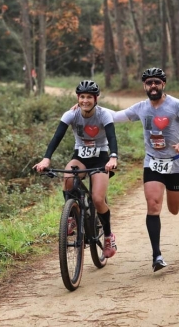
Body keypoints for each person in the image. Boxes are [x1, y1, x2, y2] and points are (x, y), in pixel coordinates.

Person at [105, 67, 179, 272]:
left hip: (175, 162)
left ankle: (175, 197)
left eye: (156, 83)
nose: (153, 86)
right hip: (152, 163)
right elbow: (115, 116)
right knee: (153, 206)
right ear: (144, 86)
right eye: (149, 83)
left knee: (173, 209)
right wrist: (87, 108)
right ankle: (156, 255)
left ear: (163, 85)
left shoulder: (176, 105)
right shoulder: (141, 108)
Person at [33, 80, 118, 258]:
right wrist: (46, 159)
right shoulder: (71, 115)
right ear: (78, 98)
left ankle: (109, 236)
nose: (85, 100)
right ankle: (71, 217)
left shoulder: (104, 115)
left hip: (101, 158)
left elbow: (111, 138)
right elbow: (57, 137)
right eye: (82, 97)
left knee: (97, 198)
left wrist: (113, 157)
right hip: (80, 156)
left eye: (89, 97)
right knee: (68, 177)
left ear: (96, 99)